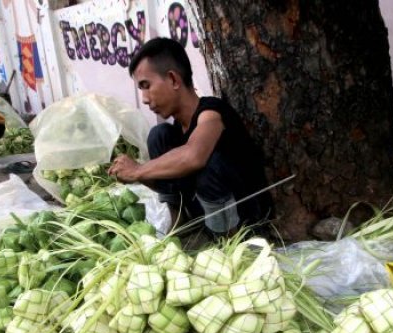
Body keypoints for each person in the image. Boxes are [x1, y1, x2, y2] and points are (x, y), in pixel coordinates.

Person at [108, 37, 272, 237]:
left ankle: (229, 244)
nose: (144, 98)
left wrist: (138, 170)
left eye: (146, 85)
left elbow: (194, 156)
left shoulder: (212, 113)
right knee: (158, 136)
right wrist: (139, 175)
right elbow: (172, 180)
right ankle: (179, 221)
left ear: (173, 79)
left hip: (246, 219)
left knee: (207, 163)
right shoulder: (177, 131)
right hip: (205, 213)